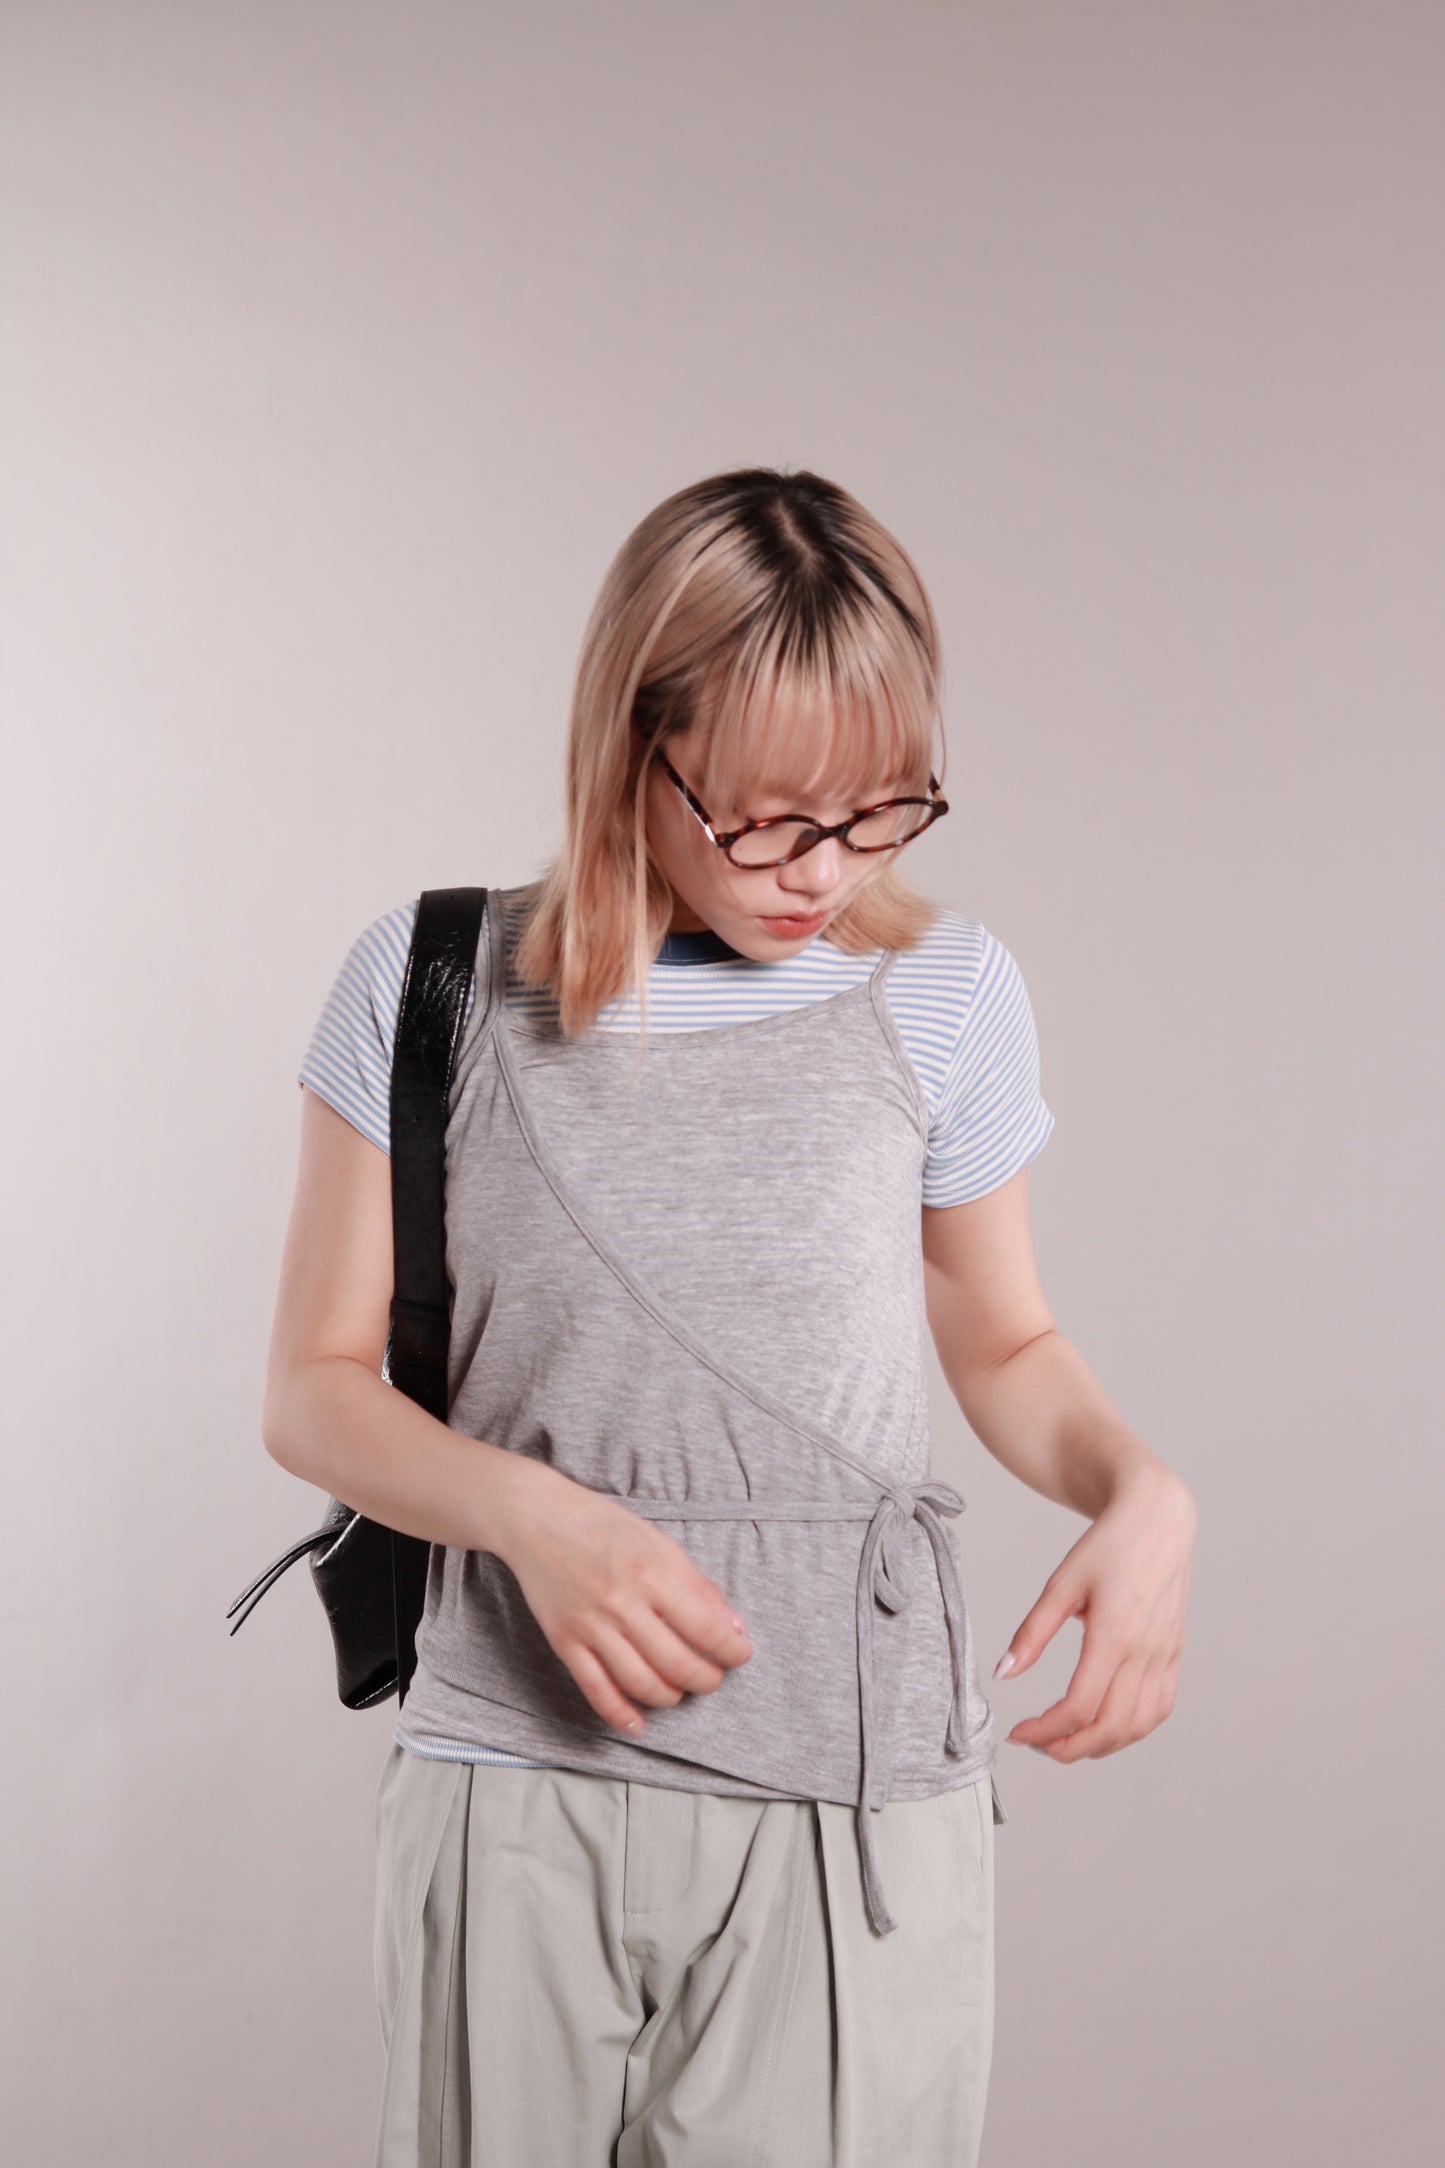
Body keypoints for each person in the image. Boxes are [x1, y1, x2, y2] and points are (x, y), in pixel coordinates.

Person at [262, 467, 1197, 2166]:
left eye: (879, 812)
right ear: (635, 749)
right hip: (517, 1787)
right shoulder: (433, 983)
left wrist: (1144, 1491)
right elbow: (314, 1391)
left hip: (855, 1789)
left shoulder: (947, 992)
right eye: (766, 816)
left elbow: (1000, 1343)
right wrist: (534, 1520)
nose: (820, 872)